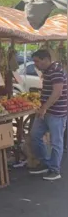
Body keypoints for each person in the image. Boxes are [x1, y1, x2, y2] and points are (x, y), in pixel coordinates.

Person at [29, 49, 67, 181]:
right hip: (45, 111)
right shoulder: (48, 71)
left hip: (56, 113)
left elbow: (57, 92)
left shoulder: (56, 70)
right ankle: (45, 162)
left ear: (46, 59)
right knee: (35, 135)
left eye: (37, 61)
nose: (35, 64)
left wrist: (45, 107)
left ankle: (54, 170)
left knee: (56, 142)